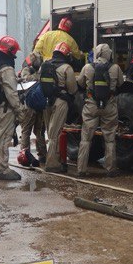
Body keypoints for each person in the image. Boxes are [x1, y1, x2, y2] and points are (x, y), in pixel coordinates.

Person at [76, 43, 125, 177]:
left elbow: (80, 83)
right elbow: (121, 83)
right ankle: (110, 169)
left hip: (91, 105)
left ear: (97, 53)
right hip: (109, 105)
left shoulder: (87, 67)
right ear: (109, 54)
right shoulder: (115, 68)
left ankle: (81, 169)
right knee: (109, 139)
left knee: (86, 139)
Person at [0, 36, 25, 180]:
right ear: (9, 51)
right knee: (3, 139)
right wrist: (20, 111)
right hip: (6, 109)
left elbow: (0, 85)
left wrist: (16, 80)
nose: (15, 56)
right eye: (14, 52)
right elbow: (12, 94)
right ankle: (2, 169)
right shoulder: (7, 69)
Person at [42, 42, 79, 172]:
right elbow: (73, 89)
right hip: (60, 102)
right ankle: (52, 164)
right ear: (66, 54)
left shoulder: (44, 65)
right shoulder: (66, 68)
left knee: (50, 132)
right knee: (55, 133)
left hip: (46, 102)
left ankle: (55, 160)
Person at [17, 51, 46, 167]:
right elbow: (26, 79)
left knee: (38, 131)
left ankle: (42, 155)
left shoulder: (38, 70)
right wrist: (38, 76)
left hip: (36, 104)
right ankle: (25, 155)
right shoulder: (27, 70)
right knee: (28, 131)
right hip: (30, 104)